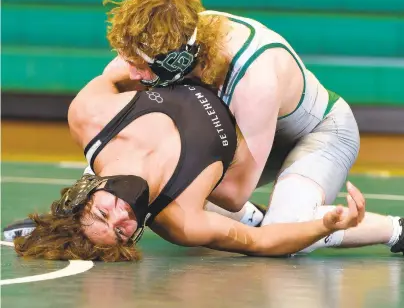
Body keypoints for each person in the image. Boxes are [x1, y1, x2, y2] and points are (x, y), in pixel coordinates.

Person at [96, 0, 404, 256]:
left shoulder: (252, 78)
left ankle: (399, 230)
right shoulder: (169, 36)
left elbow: (235, 193)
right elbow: (107, 92)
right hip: (244, 134)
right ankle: (258, 218)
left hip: (318, 133)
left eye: (140, 65)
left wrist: (167, 172)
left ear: (178, 59)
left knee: (285, 232)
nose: (132, 72)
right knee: (121, 177)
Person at [12, 73, 366, 261]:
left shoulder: (90, 117)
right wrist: (322, 224)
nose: (121, 216)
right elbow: (262, 243)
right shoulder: (182, 220)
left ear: (84, 194)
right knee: (283, 225)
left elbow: (125, 63)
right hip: (287, 143)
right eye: (121, 231)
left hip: (298, 106)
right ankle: (402, 233)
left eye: (103, 214)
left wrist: (170, 58)